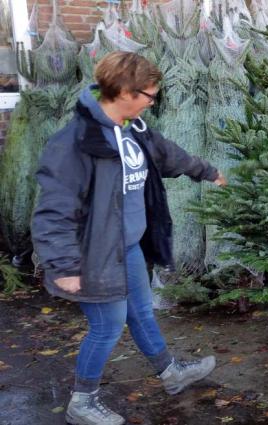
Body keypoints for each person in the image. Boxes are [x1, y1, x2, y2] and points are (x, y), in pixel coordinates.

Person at [31, 51, 226, 425]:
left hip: (129, 246)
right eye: (149, 95)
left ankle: (171, 374)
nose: (153, 103)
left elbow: (167, 154)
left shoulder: (133, 128)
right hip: (93, 254)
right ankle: (82, 402)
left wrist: (208, 171)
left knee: (141, 312)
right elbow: (53, 211)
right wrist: (64, 266)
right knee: (107, 325)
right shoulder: (76, 142)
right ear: (124, 91)